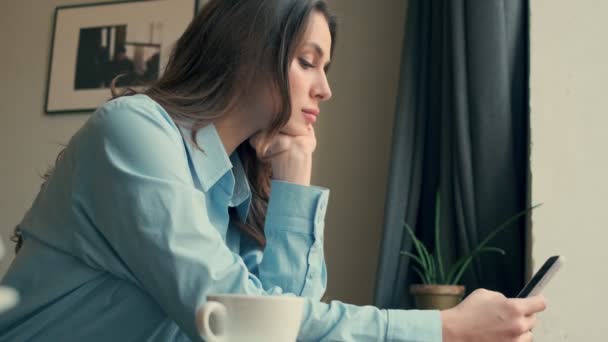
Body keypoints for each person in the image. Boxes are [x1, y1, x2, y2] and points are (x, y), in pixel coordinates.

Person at [0, 0, 546, 341]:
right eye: (307, 62)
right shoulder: (134, 132)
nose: (325, 88)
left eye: (324, 68)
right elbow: (241, 325)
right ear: (247, 50)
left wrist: (293, 177)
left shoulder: (231, 187)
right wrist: (444, 330)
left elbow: (279, 324)